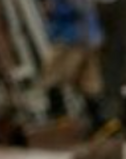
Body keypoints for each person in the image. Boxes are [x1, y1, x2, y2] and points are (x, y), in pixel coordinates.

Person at [43, 0, 108, 134]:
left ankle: (59, 118)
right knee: (89, 82)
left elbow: (77, 7)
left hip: (71, 37)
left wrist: (53, 8)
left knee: (53, 77)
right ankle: (99, 122)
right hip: (90, 37)